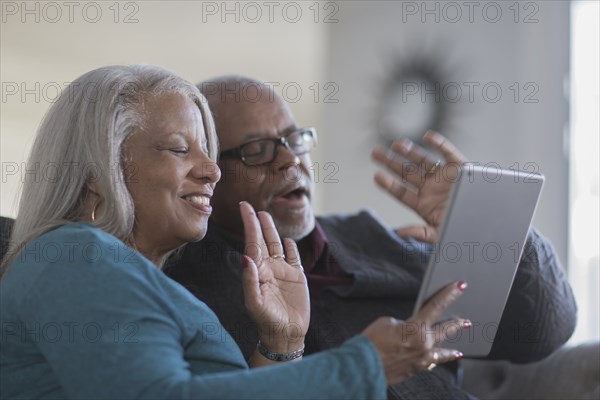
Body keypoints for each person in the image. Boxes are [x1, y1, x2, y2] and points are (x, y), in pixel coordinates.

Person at [0, 65, 470, 399]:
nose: (212, 171)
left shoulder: (126, 276)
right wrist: (366, 366)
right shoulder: (74, 256)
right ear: (94, 173)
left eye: (208, 151)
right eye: (180, 149)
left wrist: (280, 346)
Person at [164, 75, 578, 399]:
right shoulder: (185, 290)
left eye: (294, 140)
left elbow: (544, 333)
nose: (290, 159)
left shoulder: (367, 237)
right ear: (208, 174)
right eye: (257, 150)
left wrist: (492, 228)